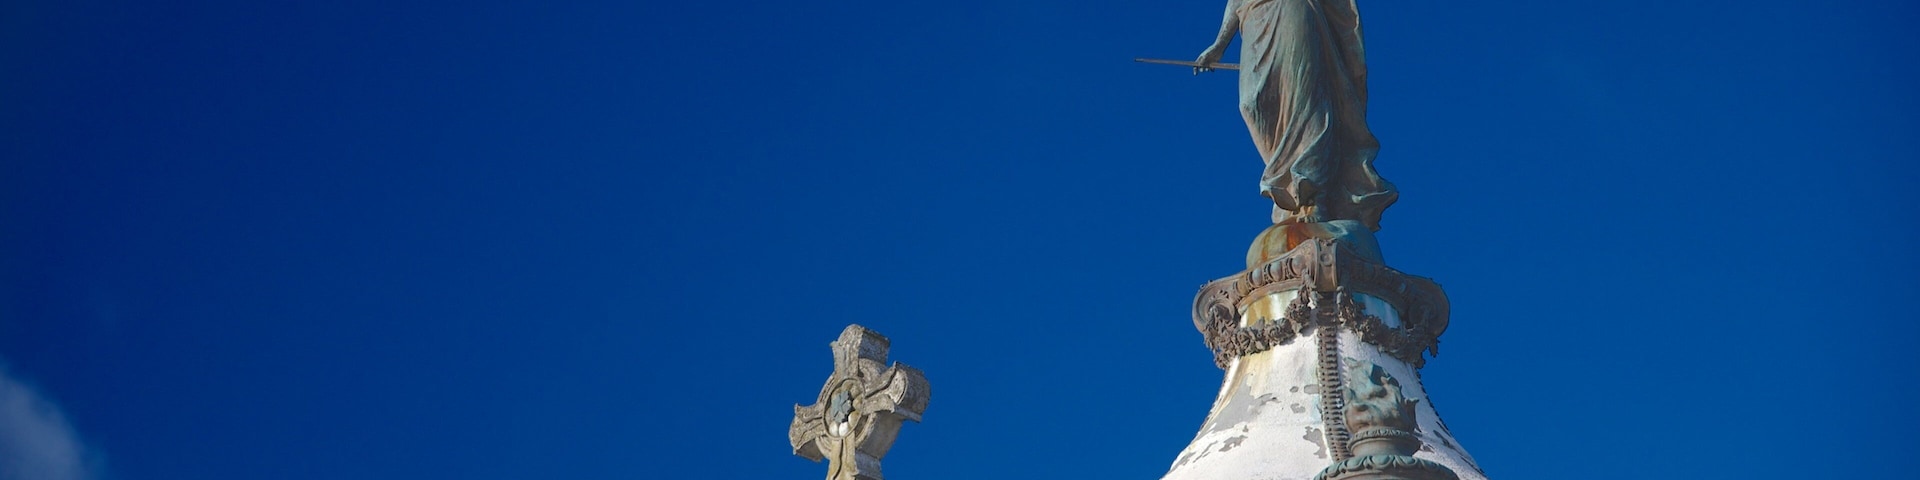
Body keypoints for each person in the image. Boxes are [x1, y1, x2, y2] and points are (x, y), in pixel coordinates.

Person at [1195, 0, 1397, 230]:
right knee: (1252, 104)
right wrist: (1219, 44)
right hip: (1254, 16)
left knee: (1304, 99)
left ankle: (1312, 193)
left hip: (1293, 7)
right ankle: (1288, 187)